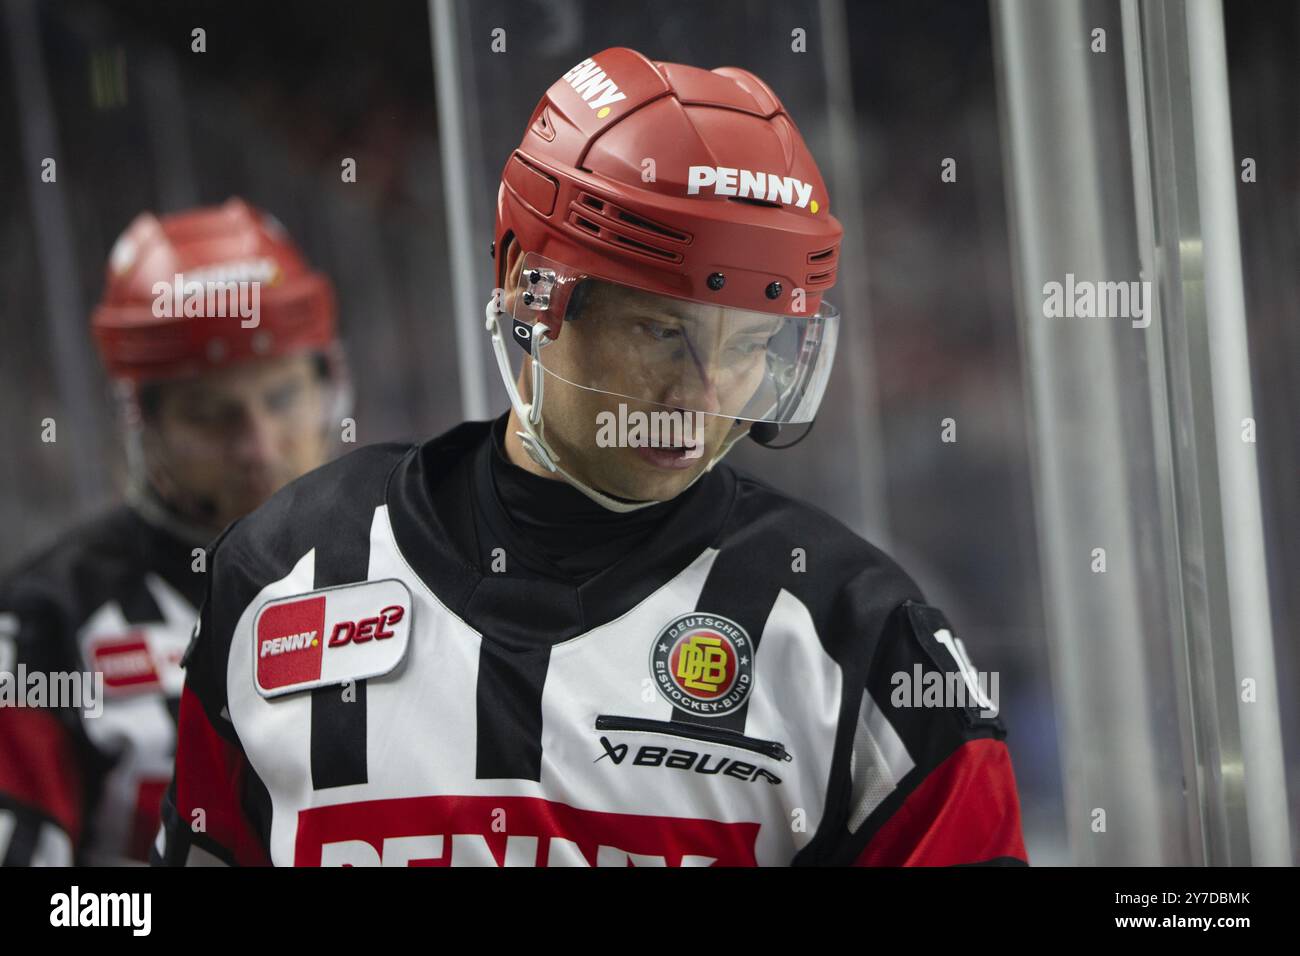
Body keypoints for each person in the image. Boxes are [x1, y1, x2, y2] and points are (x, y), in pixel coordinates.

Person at [154, 48, 1026, 866]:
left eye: (749, 344)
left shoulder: (860, 635)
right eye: (661, 331)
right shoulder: (284, 569)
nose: (704, 395)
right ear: (525, 286)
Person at [0, 198, 346, 864]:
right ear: (144, 425)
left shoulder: (412, 558)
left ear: (329, 384)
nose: (258, 445)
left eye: (280, 398)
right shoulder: (43, 625)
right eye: (210, 416)